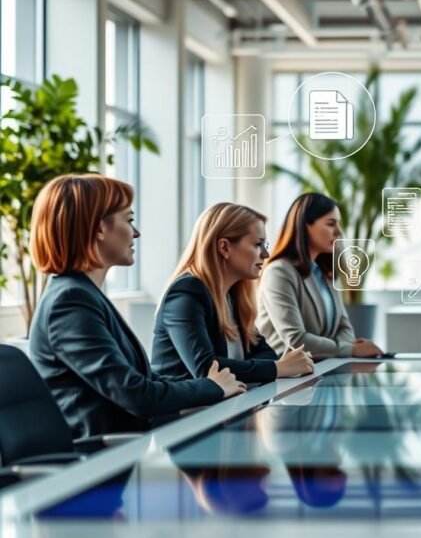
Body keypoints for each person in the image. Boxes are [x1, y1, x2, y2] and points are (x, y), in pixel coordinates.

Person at [28, 174, 244, 439]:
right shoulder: (70, 302)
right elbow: (136, 395)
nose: (137, 232)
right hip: (102, 463)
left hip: (128, 449)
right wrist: (211, 388)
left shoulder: (82, 294)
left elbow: (144, 381)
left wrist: (206, 387)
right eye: (129, 220)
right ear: (98, 228)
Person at [152, 203, 314, 386]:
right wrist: (279, 368)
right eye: (258, 244)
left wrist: (271, 365)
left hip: (225, 406)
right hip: (186, 412)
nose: (266, 254)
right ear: (224, 248)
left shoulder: (233, 294)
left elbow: (265, 352)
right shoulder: (186, 294)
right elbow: (207, 369)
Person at [257, 193, 383, 360]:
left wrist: (343, 347)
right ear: (305, 226)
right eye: (331, 224)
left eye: (338, 224)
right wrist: (348, 349)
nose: (338, 232)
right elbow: (297, 340)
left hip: (323, 368)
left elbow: (344, 328)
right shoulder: (279, 272)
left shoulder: (325, 273)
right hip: (288, 377)